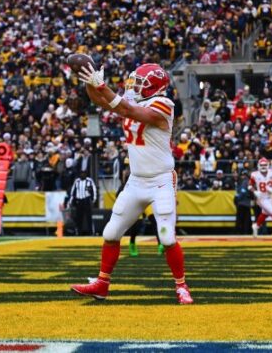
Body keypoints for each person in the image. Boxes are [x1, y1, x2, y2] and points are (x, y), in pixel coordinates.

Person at [71, 63, 193, 304]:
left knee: (167, 236)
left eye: (140, 84)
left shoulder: (164, 104)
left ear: (154, 88)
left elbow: (129, 110)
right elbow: (102, 101)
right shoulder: (133, 98)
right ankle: (102, 284)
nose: (133, 87)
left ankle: (182, 286)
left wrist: (102, 86)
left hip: (161, 180)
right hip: (136, 179)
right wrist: (89, 80)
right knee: (111, 232)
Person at [67, 170, 97, 235]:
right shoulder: (77, 181)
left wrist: (94, 199)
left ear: (86, 174)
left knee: (89, 217)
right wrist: (71, 201)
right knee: (79, 217)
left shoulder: (89, 180)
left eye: (84, 174)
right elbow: (73, 191)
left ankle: (91, 232)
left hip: (86, 200)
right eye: (81, 174)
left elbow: (94, 189)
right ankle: (78, 232)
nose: (82, 175)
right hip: (79, 201)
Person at [234, 170, 253, 234]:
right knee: (247, 220)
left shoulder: (244, 182)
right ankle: (245, 232)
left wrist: (237, 199)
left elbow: (242, 192)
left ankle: (241, 232)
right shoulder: (247, 182)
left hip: (243, 203)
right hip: (246, 203)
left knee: (241, 220)